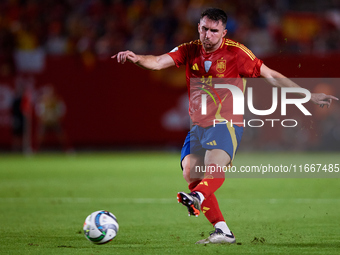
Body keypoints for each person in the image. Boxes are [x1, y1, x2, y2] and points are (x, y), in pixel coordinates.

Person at [112, 8, 338, 244]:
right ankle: (223, 231)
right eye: (204, 29)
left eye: (214, 31)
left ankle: (198, 197)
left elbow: (270, 75)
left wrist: (307, 95)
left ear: (223, 32)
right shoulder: (189, 50)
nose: (208, 35)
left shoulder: (236, 52)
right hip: (197, 126)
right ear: (199, 27)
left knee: (213, 165)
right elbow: (158, 62)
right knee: (190, 171)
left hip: (226, 122)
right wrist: (137, 58)